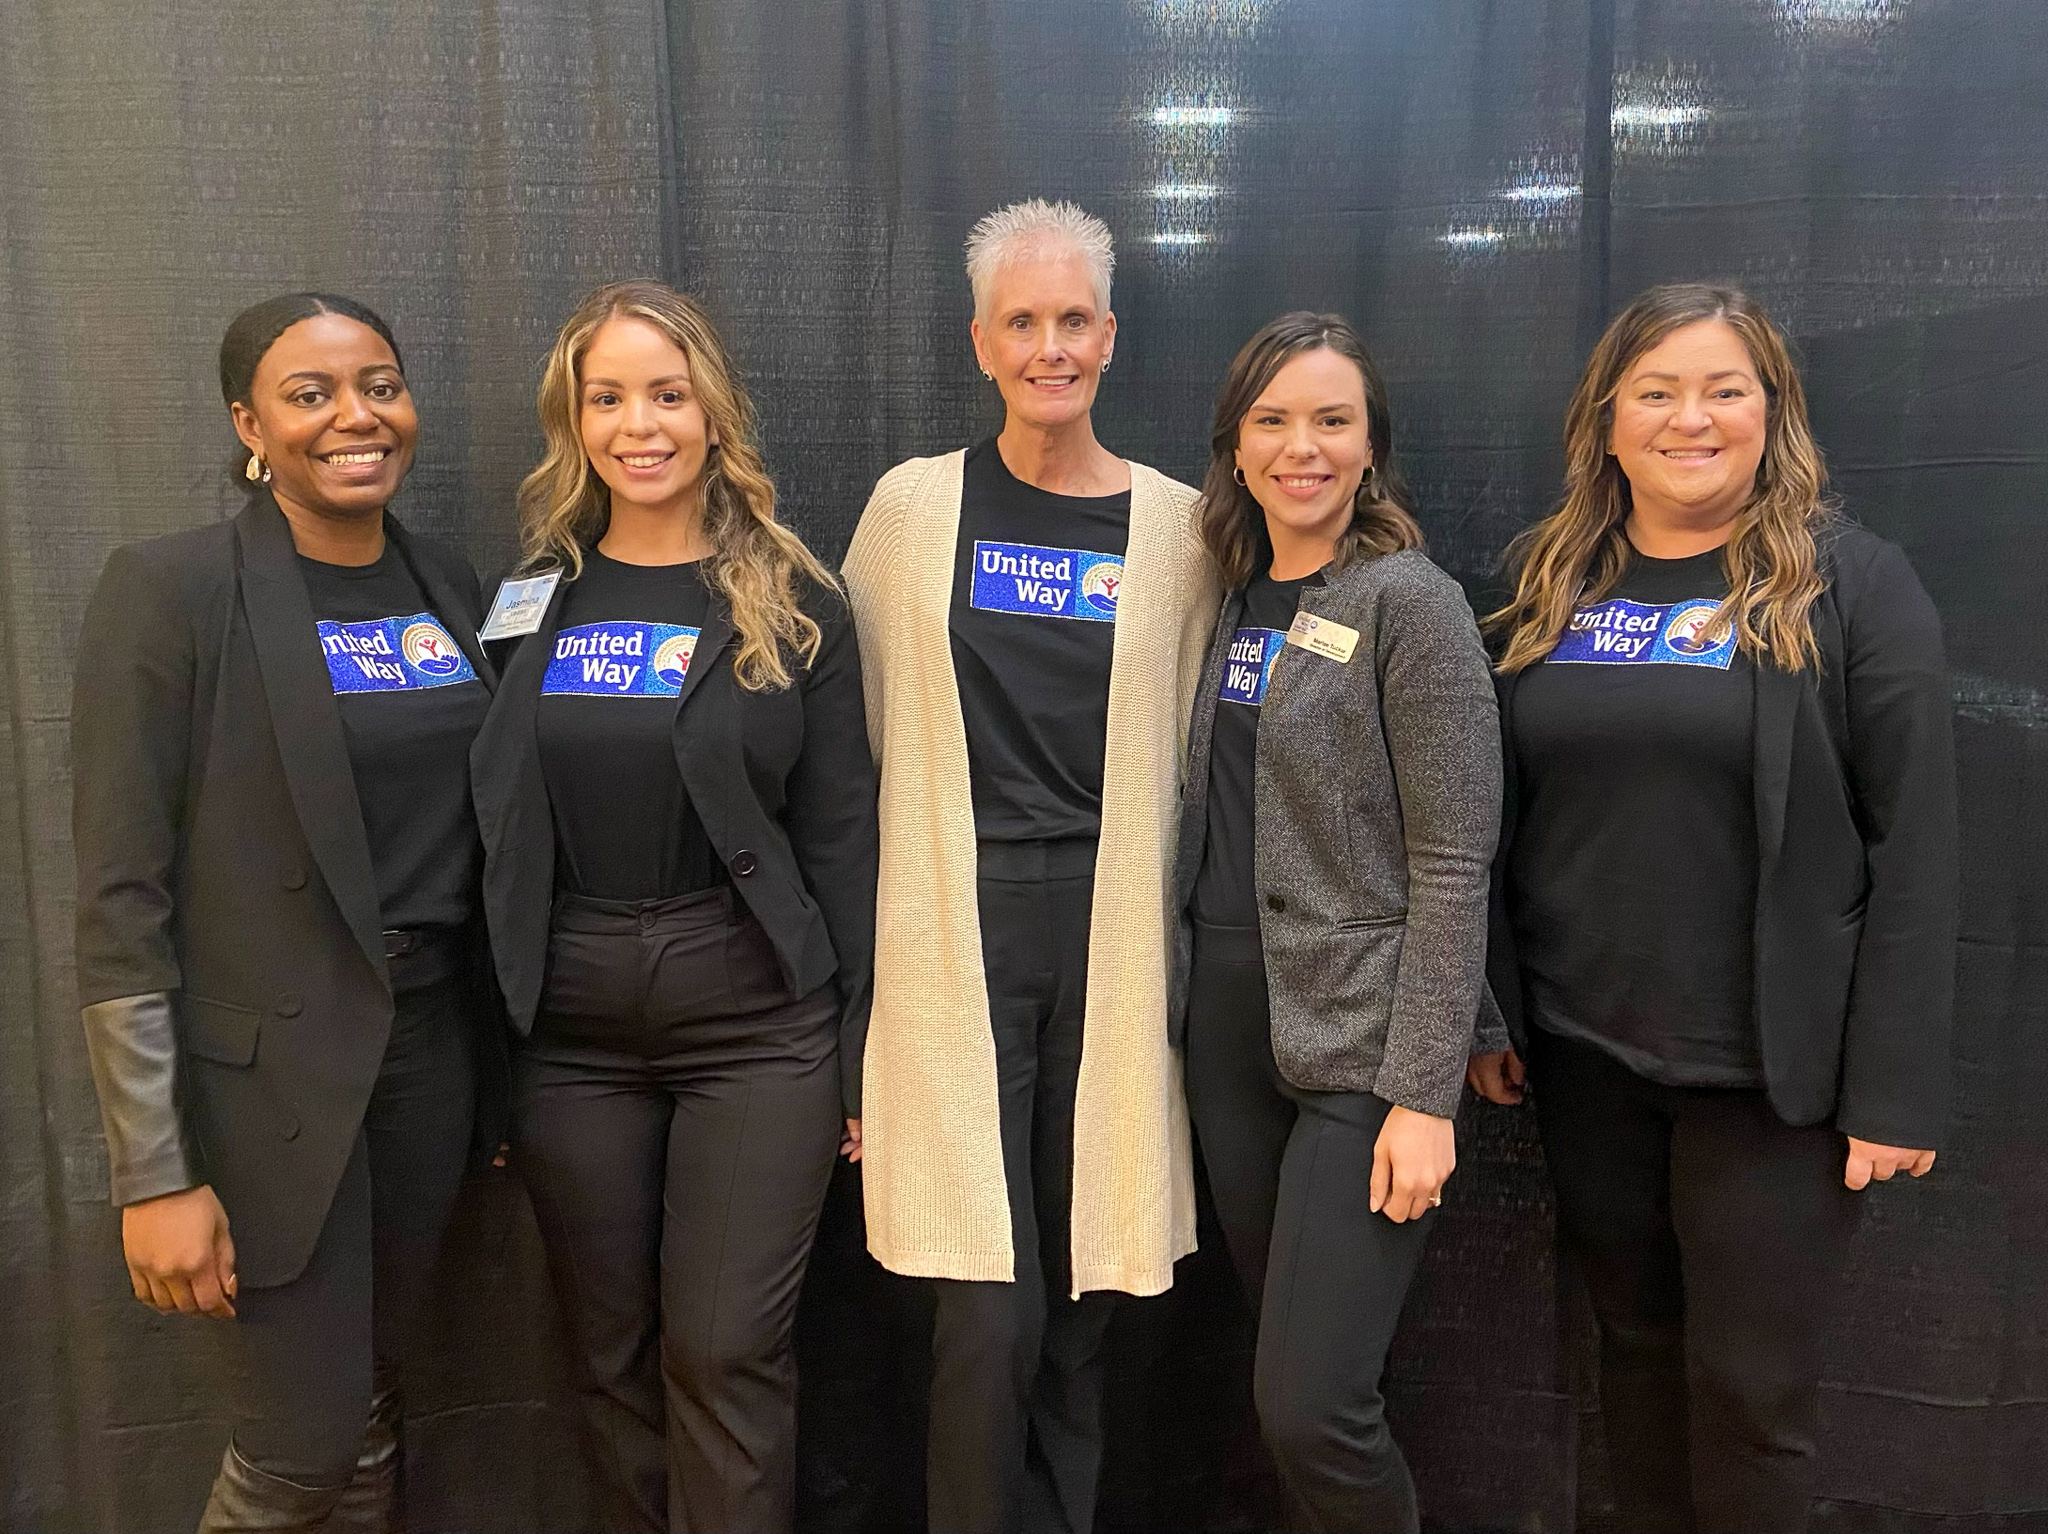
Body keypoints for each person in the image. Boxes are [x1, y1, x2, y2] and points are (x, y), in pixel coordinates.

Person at [1471, 282, 1958, 1534]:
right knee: (1630, 1355)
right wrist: (1490, 1019)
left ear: (1769, 410)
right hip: (1585, 1059)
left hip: (1766, 1079)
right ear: (1607, 419)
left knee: (1748, 1395)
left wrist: (1892, 1092)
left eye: (1723, 389)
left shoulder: (1850, 584)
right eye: (1657, 391)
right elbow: (1485, 821)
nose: (1691, 418)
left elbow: (1916, 849)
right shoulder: (1552, 581)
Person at [72, 293, 496, 1532]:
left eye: (379, 382)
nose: (355, 415)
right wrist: (152, 1169)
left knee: (367, 1409)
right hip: (261, 1099)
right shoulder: (172, 591)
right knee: (300, 1446)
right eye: (310, 394)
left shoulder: (448, 582)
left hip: (428, 1070)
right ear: (250, 423)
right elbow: (119, 894)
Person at [469, 280, 877, 1534]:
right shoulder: (530, 598)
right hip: (570, 1031)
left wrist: (861, 1058)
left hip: (754, 1023)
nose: (638, 422)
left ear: (711, 409)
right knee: (605, 1355)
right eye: (607, 397)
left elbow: (845, 838)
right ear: (573, 419)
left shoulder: (795, 597)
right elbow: (489, 821)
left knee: (722, 1352)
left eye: (666, 391)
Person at [841, 199, 1217, 1534]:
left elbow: (1192, 750)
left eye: (1072, 320)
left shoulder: (1182, 531)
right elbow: (864, 742)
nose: (1048, 345)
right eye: (1021, 322)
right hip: (953, 932)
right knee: (980, 1303)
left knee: (1087, 1286)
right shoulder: (911, 511)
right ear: (980, 342)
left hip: (1114, 938)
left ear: (1109, 336)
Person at [1168, 312, 1500, 1533]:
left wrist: (1425, 1089)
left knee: (1311, 1405)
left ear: (1369, 450)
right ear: (1235, 447)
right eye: (1271, 421)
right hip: (1226, 1034)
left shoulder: (1410, 603)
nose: (1299, 446)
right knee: (1296, 1380)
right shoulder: (1228, 599)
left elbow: (1454, 854)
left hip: (1359, 1047)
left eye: (1330, 420)